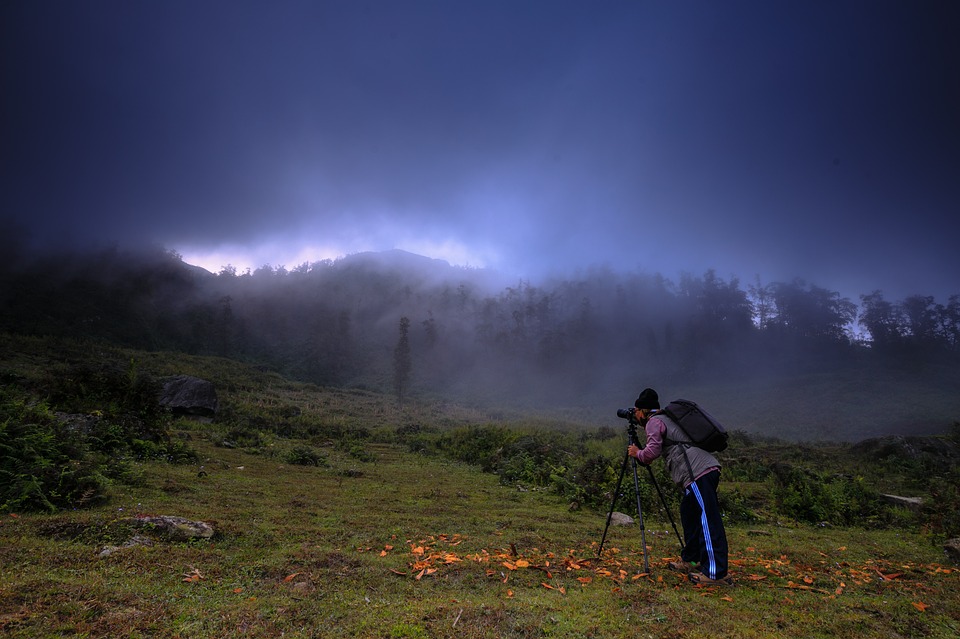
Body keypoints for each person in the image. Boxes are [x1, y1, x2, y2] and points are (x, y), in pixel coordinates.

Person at [627, 387, 733, 586]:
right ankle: (692, 559)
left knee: (707, 519)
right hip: (702, 470)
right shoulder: (667, 418)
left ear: (642, 411)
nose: (636, 416)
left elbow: (651, 453)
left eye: (636, 412)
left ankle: (715, 573)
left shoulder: (653, 422)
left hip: (698, 473)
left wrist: (636, 452)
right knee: (689, 513)